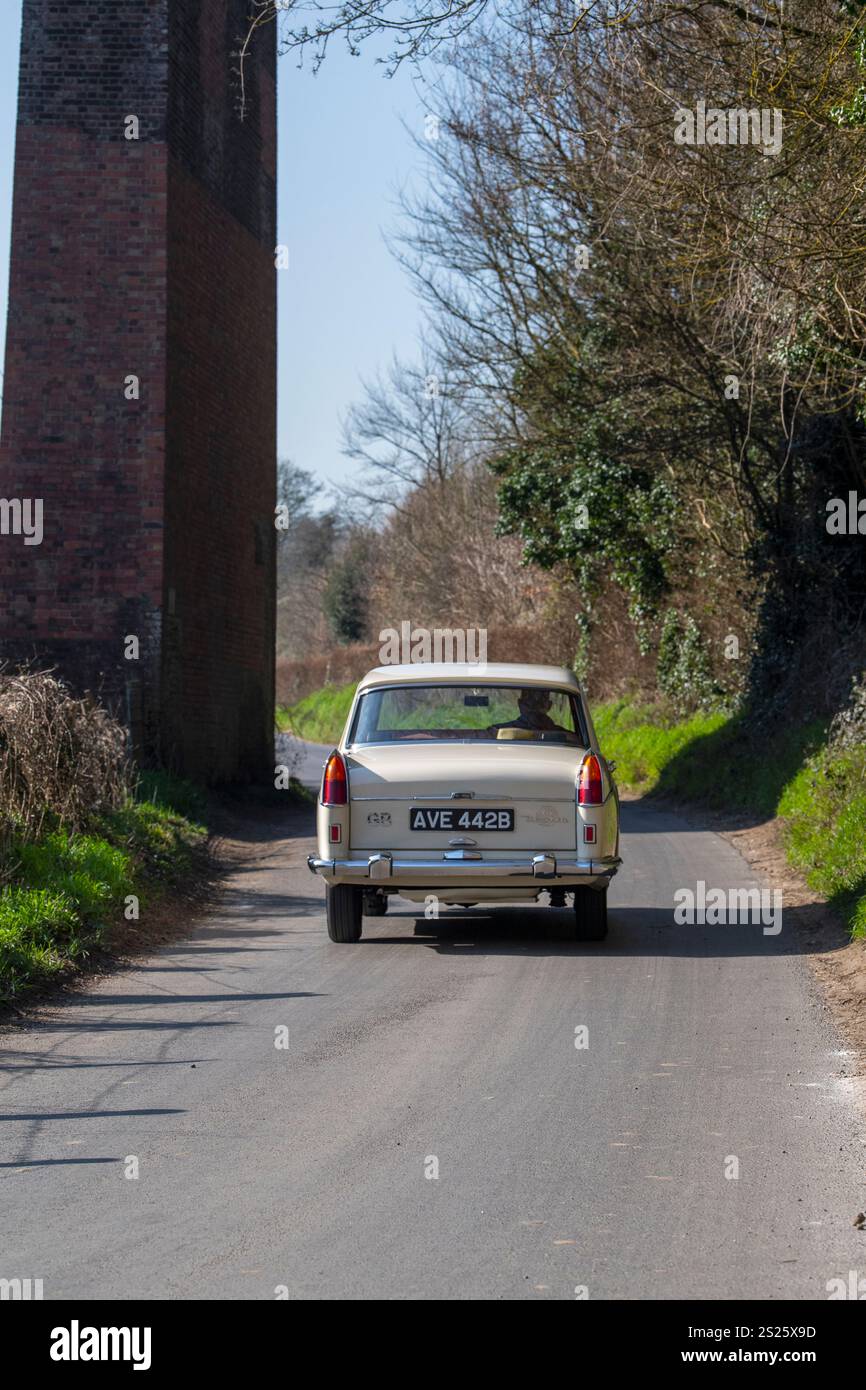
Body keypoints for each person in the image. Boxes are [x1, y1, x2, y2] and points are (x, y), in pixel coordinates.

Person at [500, 688, 564, 733]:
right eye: (529, 700)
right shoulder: (564, 736)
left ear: (520, 704)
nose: (534, 705)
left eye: (540, 702)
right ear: (549, 706)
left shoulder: (498, 732)